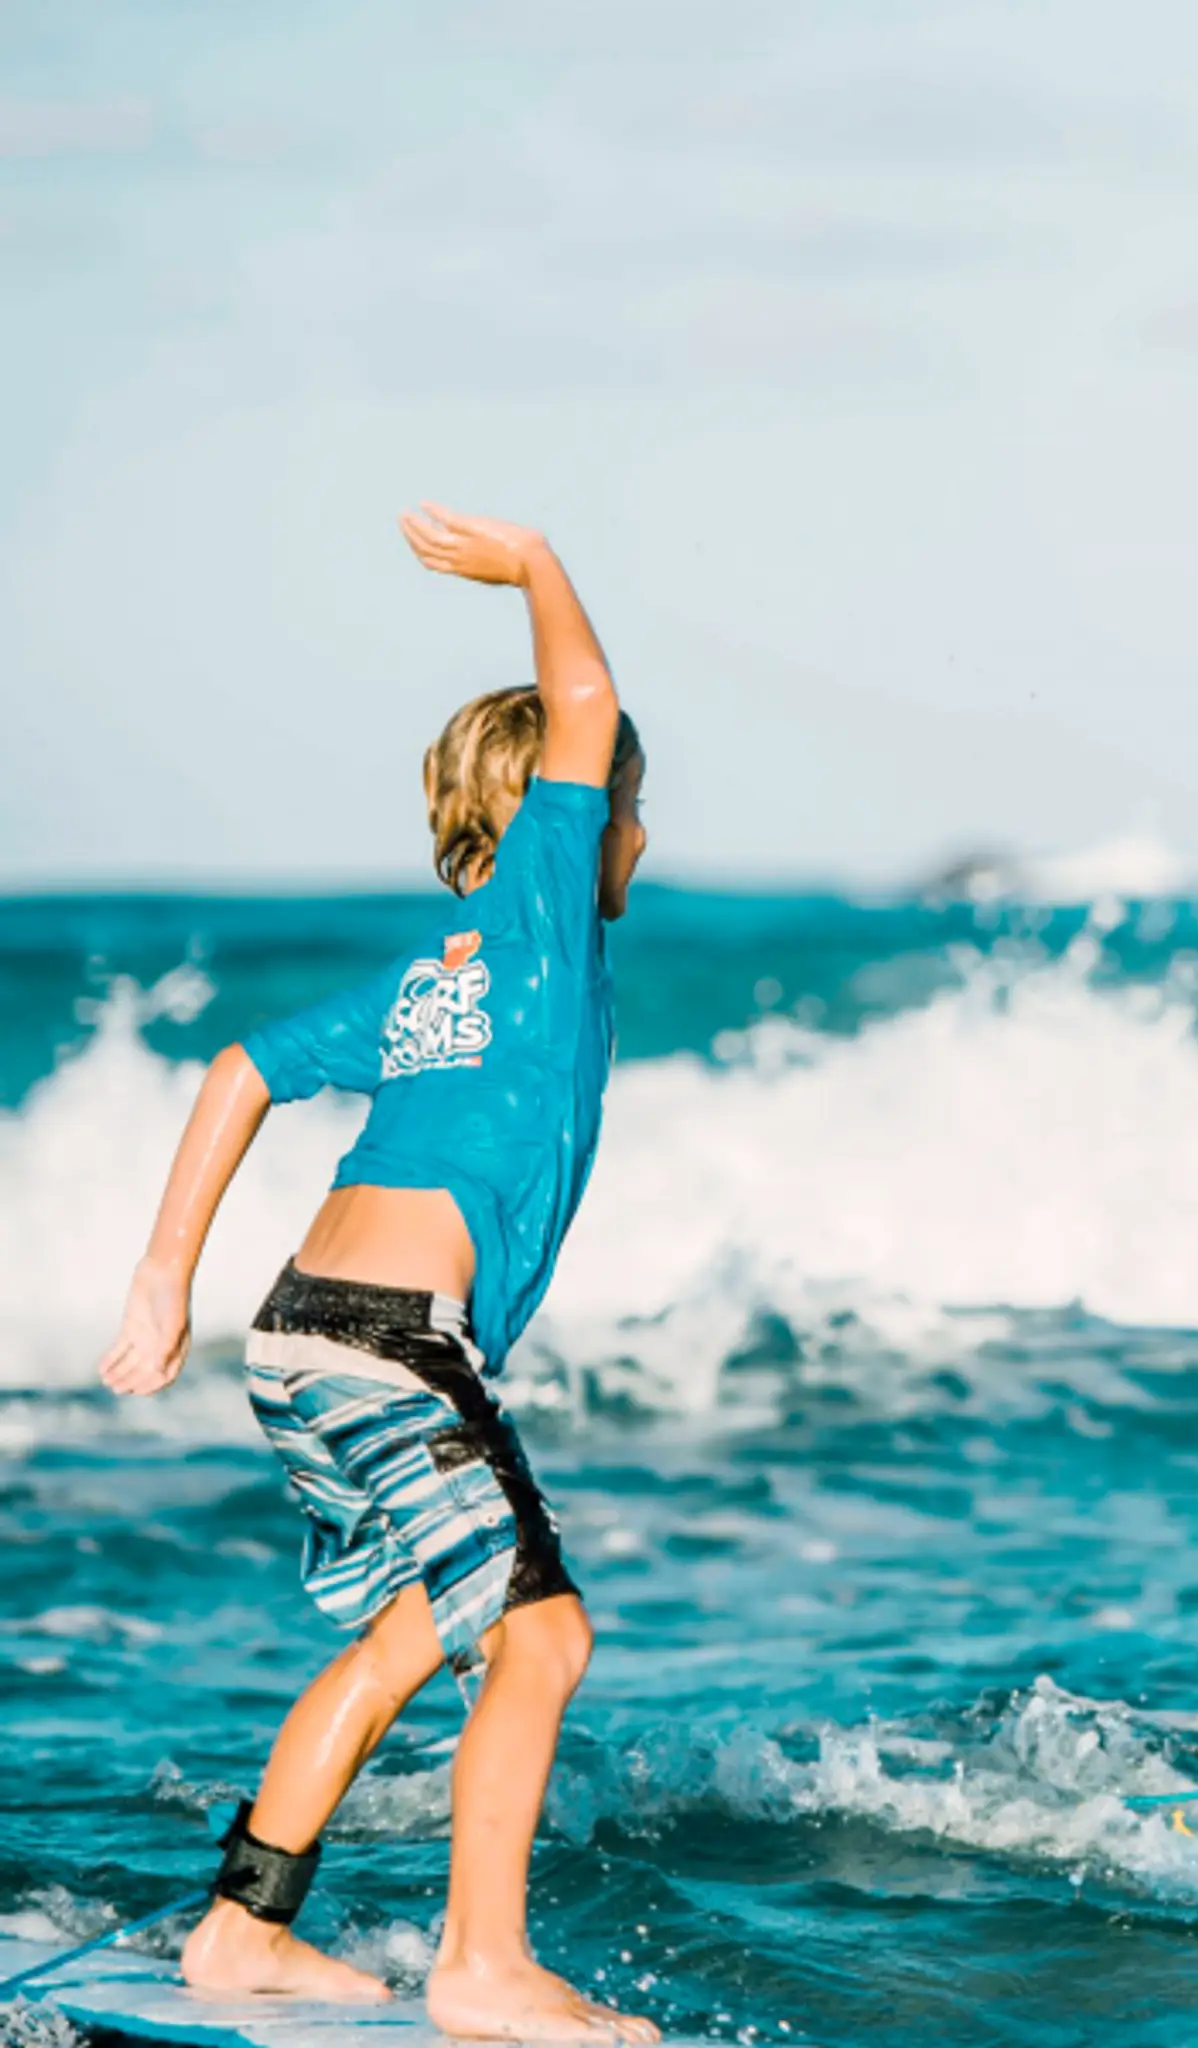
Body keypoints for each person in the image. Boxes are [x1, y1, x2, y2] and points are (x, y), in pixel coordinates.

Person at [98, 506, 657, 2041]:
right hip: (397, 1342)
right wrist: (537, 564)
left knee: (422, 1621)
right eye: (625, 808)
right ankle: (484, 1964)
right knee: (544, 1636)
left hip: (299, 1331)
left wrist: (165, 1278)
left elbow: (237, 1067)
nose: (636, 836)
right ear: (561, 817)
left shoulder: (425, 979)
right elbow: (586, 703)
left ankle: (243, 1930)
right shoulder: (546, 921)